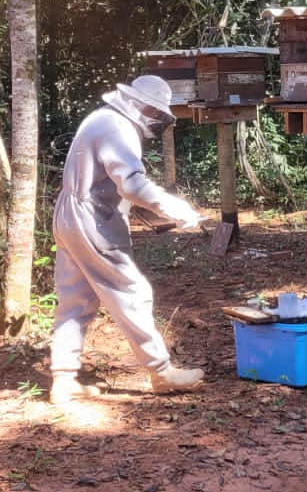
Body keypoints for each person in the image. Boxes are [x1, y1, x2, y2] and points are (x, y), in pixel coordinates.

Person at [50, 75, 207, 403]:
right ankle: (161, 371)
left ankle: (63, 380)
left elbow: (106, 180)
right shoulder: (118, 127)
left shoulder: (100, 118)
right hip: (91, 219)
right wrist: (174, 208)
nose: (155, 118)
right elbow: (132, 185)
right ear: (136, 103)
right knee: (131, 291)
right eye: (153, 110)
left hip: (68, 215)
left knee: (75, 298)